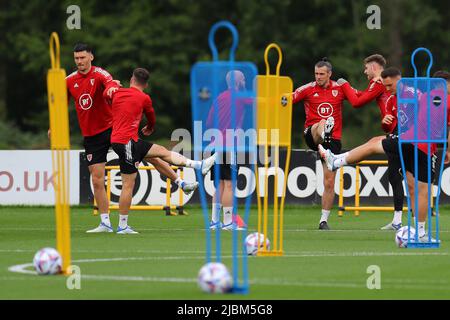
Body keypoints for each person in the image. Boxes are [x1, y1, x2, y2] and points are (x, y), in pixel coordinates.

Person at [63, 43, 196, 234]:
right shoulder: (69, 80)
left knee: (150, 155)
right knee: (97, 179)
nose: (79, 62)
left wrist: (110, 89)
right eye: (76, 58)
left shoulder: (101, 74)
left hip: (113, 129)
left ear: (91, 57)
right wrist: (54, 124)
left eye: (83, 58)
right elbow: (60, 103)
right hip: (92, 135)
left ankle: (180, 183)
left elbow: (111, 83)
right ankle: (105, 223)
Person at [319, 67, 450, 241]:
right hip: (419, 144)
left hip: (416, 143)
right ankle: (420, 232)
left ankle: (337, 161)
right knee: (422, 190)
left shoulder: (423, 96)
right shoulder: (435, 98)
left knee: (376, 146)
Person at [108, 68, 216, 234]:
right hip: (126, 142)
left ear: (131, 80)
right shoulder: (144, 98)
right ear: (146, 84)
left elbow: (106, 96)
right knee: (128, 184)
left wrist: (113, 85)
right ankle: (122, 226)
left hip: (124, 140)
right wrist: (150, 127)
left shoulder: (117, 93)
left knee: (158, 154)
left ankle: (184, 181)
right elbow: (151, 118)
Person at [338, 54, 404, 230]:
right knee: (394, 177)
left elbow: (357, 102)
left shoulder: (378, 82)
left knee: (373, 144)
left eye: (366, 68)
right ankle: (398, 220)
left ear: (374, 68)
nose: (364, 71)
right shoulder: (380, 84)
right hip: (392, 129)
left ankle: (338, 160)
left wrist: (344, 85)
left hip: (400, 131)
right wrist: (348, 90)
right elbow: (360, 95)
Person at [292, 58, 353, 230]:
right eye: (316, 73)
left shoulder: (339, 89)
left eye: (321, 74)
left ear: (329, 74)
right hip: (312, 135)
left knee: (329, 181)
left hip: (332, 141)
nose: (318, 77)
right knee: (322, 122)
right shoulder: (308, 89)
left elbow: (358, 98)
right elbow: (289, 98)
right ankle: (324, 130)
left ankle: (323, 220)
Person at [206, 70, 250, 231]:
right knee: (230, 185)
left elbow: (209, 122)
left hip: (214, 144)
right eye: (243, 79)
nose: (245, 82)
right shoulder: (240, 96)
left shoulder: (218, 98)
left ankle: (214, 221)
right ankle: (228, 223)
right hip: (229, 145)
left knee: (220, 184)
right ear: (238, 82)